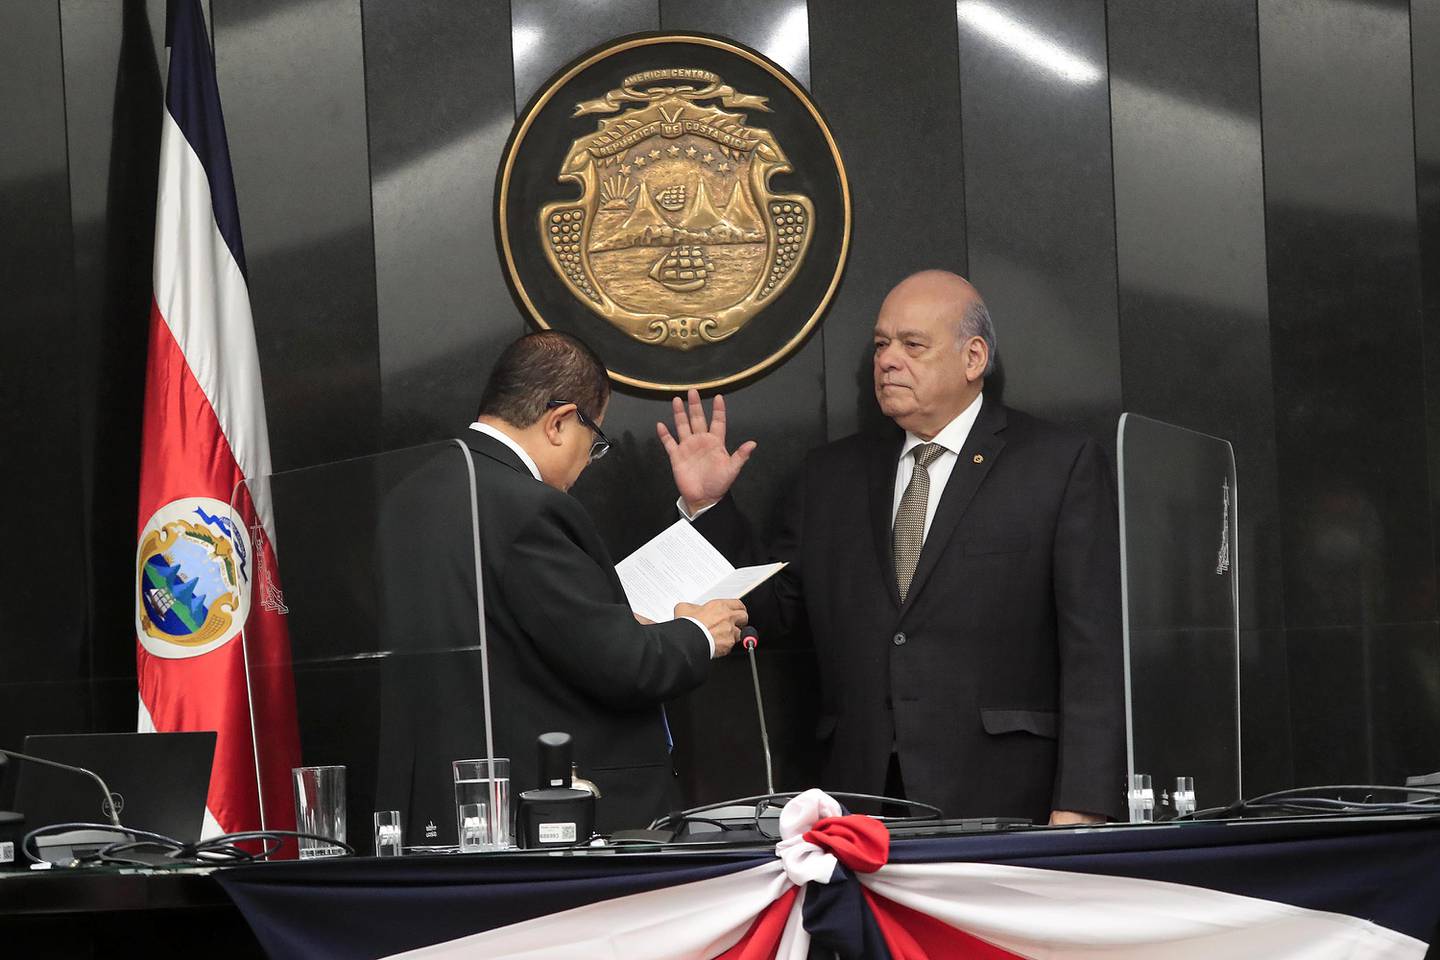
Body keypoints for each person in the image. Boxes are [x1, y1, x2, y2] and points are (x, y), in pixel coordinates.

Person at [658, 270, 1125, 824]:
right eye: (881, 344)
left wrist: (1081, 805)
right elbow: (771, 610)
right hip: (860, 802)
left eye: (912, 345)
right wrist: (709, 509)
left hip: (1005, 796)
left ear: (973, 358)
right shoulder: (830, 477)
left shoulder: (1057, 465)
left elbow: (1093, 651)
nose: (886, 360)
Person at [378, 331, 747, 838]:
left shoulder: (409, 494)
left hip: (434, 799)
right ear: (559, 422)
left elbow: (518, 634)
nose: (585, 465)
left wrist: (611, 623)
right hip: (543, 808)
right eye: (594, 445)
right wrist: (698, 633)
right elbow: (624, 666)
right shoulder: (530, 508)